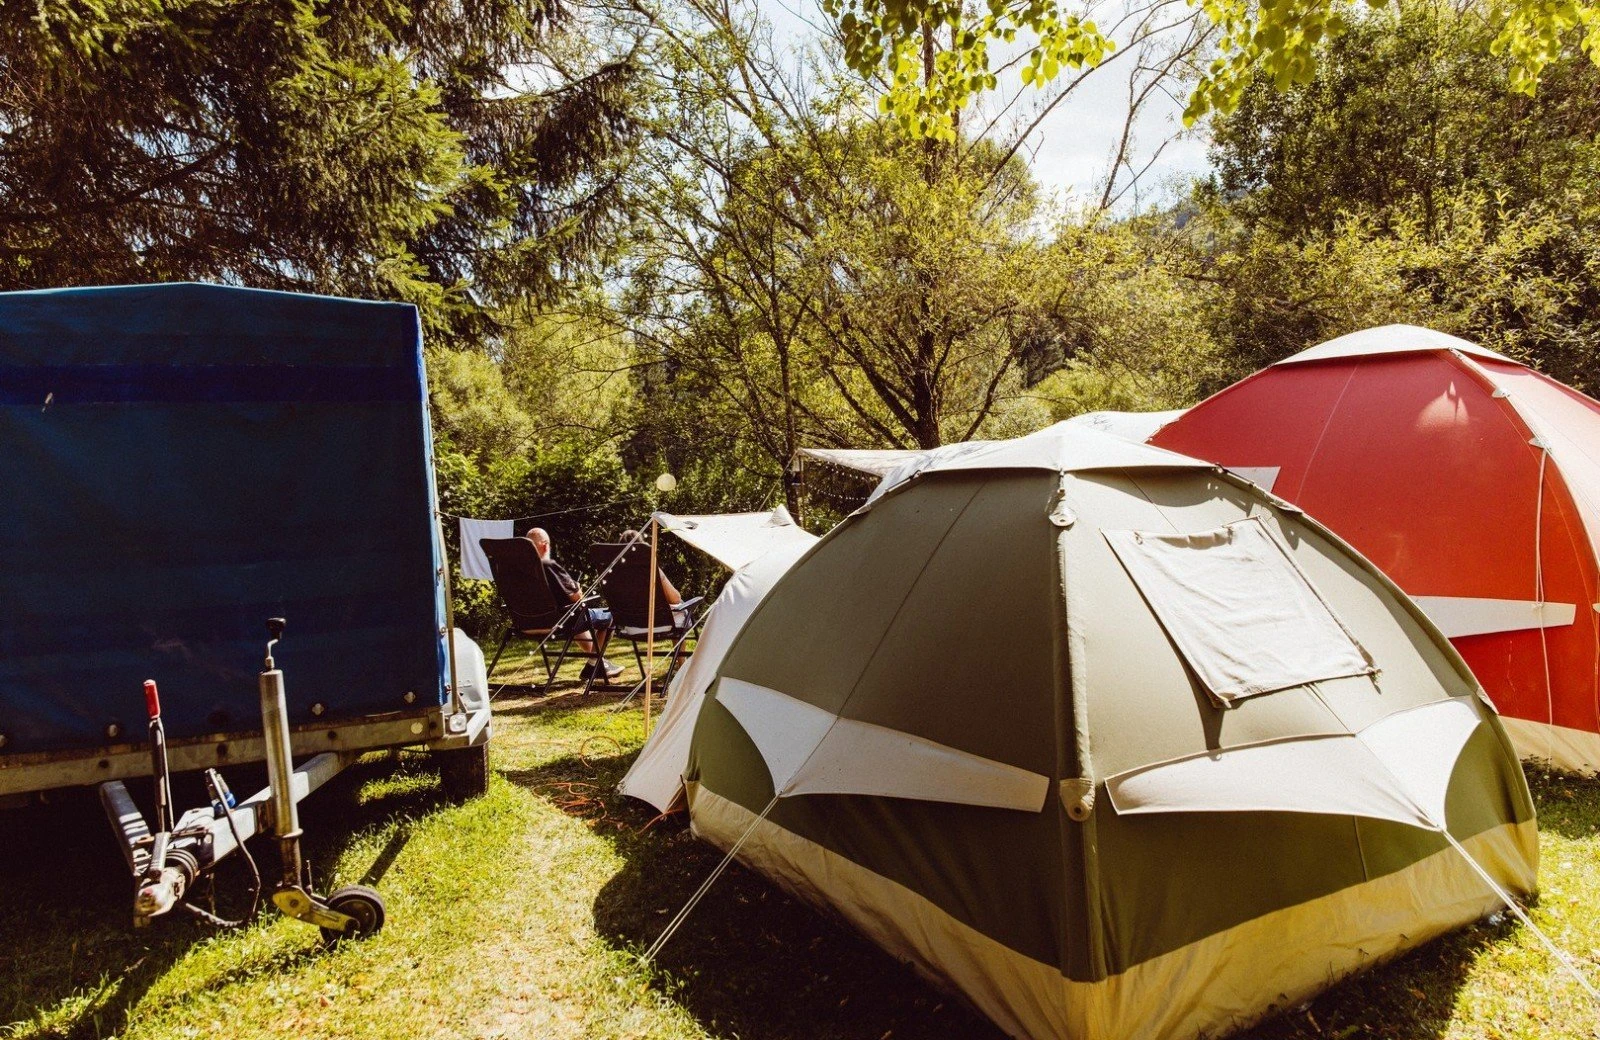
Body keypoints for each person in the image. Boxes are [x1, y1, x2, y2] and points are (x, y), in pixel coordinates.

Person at [525, 527, 623, 682]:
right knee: (609, 615)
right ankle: (593, 664)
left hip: (527, 624)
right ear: (545, 545)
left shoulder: (521, 571)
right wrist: (577, 588)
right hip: (559, 624)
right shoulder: (549, 565)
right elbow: (577, 597)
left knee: (576, 620)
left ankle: (598, 663)